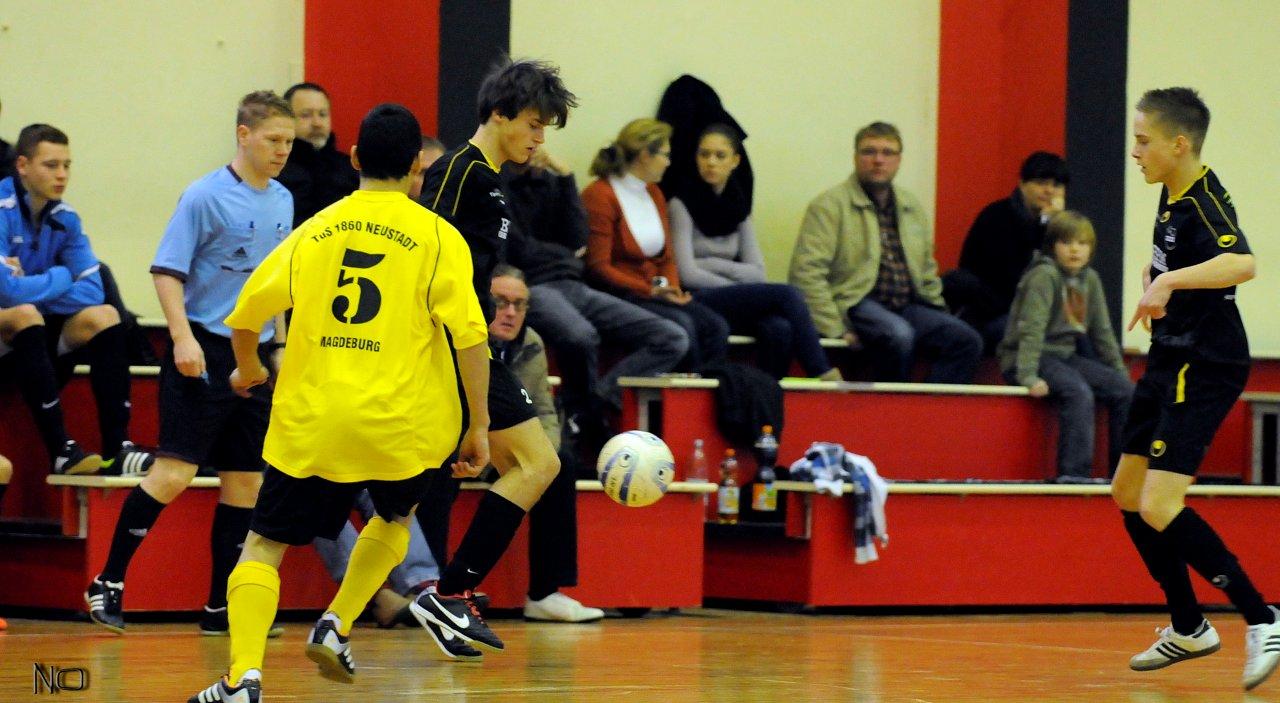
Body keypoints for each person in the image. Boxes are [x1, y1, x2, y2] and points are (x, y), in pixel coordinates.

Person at [187, 102, 491, 703]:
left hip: (314, 420)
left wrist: (248, 368)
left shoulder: (315, 229)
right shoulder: (438, 237)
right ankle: (337, 620)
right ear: (417, 166)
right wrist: (478, 423)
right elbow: (470, 339)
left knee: (263, 545)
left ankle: (243, 679)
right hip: (401, 425)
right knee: (394, 519)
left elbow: (245, 314)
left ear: (353, 158)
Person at [85, 92, 295, 637]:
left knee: (245, 483)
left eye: (289, 142)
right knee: (174, 474)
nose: (282, 150)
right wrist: (181, 338)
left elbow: (275, 284)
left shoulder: (283, 200)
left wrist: (280, 344)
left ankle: (220, 606)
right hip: (203, 347)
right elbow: (167, 271)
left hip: (253, 355)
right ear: (243, 135)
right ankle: (107, 581)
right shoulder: (204, 196)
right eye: (273, 139)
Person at [1112, 87, 1279, 691]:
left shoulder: (1204, 202)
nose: (1135, 152)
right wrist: (1154, 278)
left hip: (1206, 363)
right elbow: (1177, 261)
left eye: (1143, 141)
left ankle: (1263, 618)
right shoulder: (1173, 189)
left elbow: (1243, 263)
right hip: (1169, 354)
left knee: (1159, 503)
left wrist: (1169, 283)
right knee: (1127, 492)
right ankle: (1189, 627)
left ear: (1178, 144)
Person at [411, 57, 576, 659]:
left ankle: (443, 597)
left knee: (528, 465)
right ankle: (449, 593)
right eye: (533, 124)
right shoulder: (459, 172)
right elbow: (425, 265)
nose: (538, 139)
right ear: (500, 114)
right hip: (450, 346)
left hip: (467, 346)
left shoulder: (491, 178)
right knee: (537, 463)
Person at [503, 147, 686, 441]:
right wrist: (563, 253)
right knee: (581, 335)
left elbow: (578, 239)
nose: (536, 144)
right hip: (530, 286)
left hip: (574, 283)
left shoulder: (551, 182)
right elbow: (518, 249)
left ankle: (595, 403)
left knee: (672, 337)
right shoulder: (495, 184)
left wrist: (566, 177)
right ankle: (584, 411)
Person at [0, 124, 153, 476]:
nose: (62, 175)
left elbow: (92, 290)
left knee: (104, 315)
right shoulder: (2, 207)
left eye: (67, 165)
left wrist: (38, 282)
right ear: (22, 165)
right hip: (10, 330)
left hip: (34, 335)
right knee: (23, 313)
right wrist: (61, 277)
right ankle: (61, 450)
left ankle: (118, 448)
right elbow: (6, 292)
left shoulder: (65, 218)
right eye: (51, 165)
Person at [789, 121, 981, 383]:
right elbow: (806, 274)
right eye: (869, 151)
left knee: (967, 340)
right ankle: (895, 404)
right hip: (855, 302)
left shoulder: (911, 206)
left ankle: (925, 405)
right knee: (899, 335)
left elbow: (926, 269)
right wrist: (835, 328)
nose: (878, 160)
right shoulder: (828, 206)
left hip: (908, 305)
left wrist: (939, 311)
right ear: (855, 157)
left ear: (898, 161)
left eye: (888, 152)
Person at [669, 124, 840, 380]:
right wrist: (740, 286)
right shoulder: (680, 203)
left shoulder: (739, 205)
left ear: (735, 161)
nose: (711, 162)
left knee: (780, 328)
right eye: (704, 155)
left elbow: (758, 273)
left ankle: (767, 393)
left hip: (729, 296)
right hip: (695, 297)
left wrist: (711, 264)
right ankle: (822, 371)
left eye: (720, 156)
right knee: (788, 294)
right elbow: (687, 273)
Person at [488, 265, 604, 622]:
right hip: (464, 445)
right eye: (500, 302)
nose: (510, 313)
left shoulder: (532, 343)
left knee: (560, 464)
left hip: (510, 448)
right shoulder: (463, 340)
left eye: (519, 305)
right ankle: (432, 586)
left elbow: (543, 410)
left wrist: (545, 456)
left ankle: (545, 593)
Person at [582, 118, 729, 371]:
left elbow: (666, 256)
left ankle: (712, 389)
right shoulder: (600, 195)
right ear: (644, 156)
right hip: (619, 294)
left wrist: (671, 289)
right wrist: (649, 290)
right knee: (685, 325)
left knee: (716, 326)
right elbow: (599, 267)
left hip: (651, 292)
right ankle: (682, 391)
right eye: (665, 155)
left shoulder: (654, 193)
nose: (668, 162)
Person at [997, 211, 1132, 483]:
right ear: (1052, 246)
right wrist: (1028, 376)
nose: (1074, 250)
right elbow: (1031, 329)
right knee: (1078, 391)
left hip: (1065, 356)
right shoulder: (1043, 276)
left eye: (1082, 243)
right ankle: (1073, 475)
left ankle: (1124, 475)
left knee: (1125, 391)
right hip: (1029, 356)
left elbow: (1102, 332)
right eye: (1066, 242)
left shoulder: (1090, 279)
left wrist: (1119, 372)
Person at [947, 152, 1069, 351]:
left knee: (1077, 329)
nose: (1049, 191)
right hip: (991, 314)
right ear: (1022, 184)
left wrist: (1055, 225)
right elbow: (1015, 279)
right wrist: (1044, 224)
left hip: (1035, 313)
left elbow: (1071, 277)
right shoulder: (997, 217)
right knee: (1043, 334)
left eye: (1056, 185)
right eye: (1041, 183)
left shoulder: (1062, 227)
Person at [276, 82, 360, 227]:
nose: (317, 123)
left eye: (322, 114)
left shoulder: (352, 168)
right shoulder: (275, 169)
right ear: (286, 119)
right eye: (306, 115)